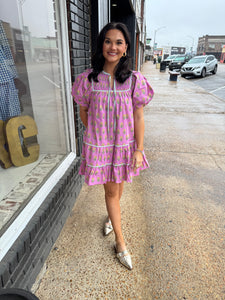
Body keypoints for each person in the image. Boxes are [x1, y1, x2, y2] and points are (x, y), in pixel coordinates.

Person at [72, 22, 154, 270]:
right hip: (101, 146)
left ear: (126, 48)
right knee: (110, 192)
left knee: (118, 188)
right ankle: (120, 241)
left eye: (119, 42)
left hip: (124, 146)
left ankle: (111, 216)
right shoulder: (88, 79)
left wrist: (139, 149)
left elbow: (138, 117)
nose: (113, 46)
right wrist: (97, 134)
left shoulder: (133, 80)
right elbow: (84, 111)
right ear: (101, 45)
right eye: (108, 41)